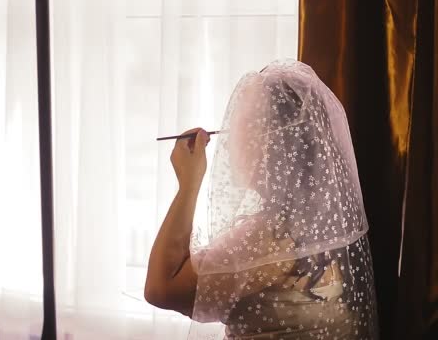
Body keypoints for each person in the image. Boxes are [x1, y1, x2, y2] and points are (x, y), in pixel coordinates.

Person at [144, 59, 379, 339]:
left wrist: (188, 184)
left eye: (241, 128)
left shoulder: (268, 237)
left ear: (272, 143)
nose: (229, 142)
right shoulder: (322, 223)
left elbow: (161, 289)